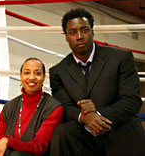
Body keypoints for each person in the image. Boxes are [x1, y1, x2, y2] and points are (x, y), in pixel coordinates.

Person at [49, 8, 145, 156]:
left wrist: (98, 116)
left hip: (119, 128)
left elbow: (131, 100)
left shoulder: (121, 57)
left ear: (92, 32)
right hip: (84, 135)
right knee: (62, 132)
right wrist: (85, 118)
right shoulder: (58, 71)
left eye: (84, 30)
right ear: (66, 36)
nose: (79, 36)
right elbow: (65, 107)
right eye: (73, 32)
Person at [0, 58, 63, 156]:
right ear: (21, 76)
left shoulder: (53, 108)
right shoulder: (9, 107)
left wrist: (9, 141)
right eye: (27, 73)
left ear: (43, 78)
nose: (32, 77)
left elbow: (38, 147)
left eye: (37, 73)